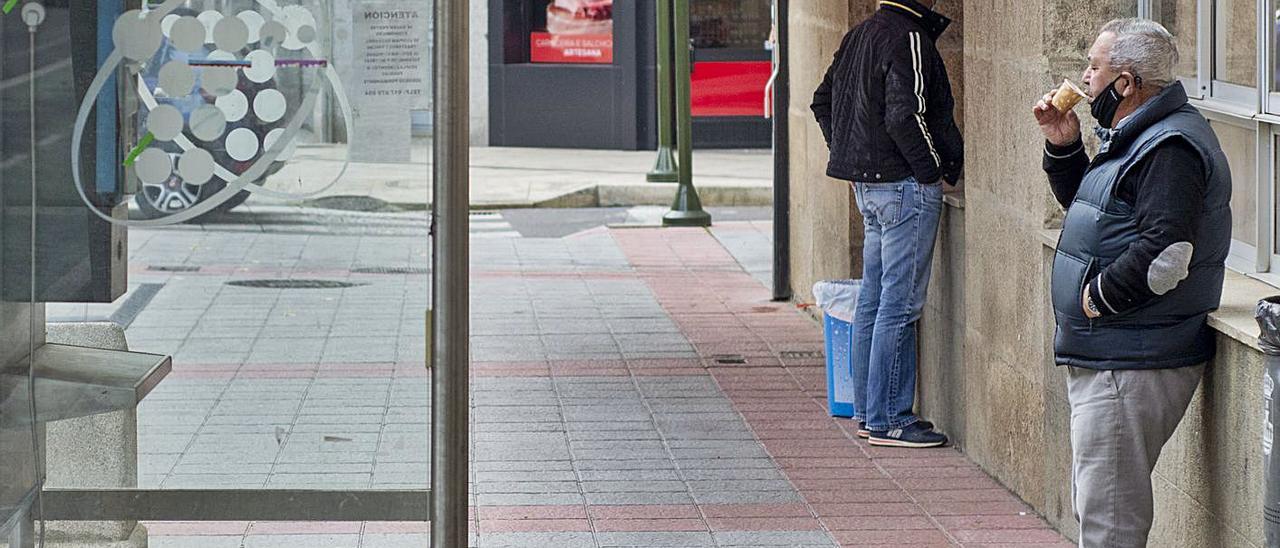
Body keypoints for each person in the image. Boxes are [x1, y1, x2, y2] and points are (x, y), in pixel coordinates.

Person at [1032, 19, 1230, 547]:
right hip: (1117, 352)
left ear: (1126, 83)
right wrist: (1064, 146)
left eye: (1094, 68)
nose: (1084, 78)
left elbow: (1166, 254)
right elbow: (1098, 213)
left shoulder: (1169, 147)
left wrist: (1095, 300)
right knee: (1101, 509)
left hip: (1131, 357)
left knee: (1110, 521)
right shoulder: (1137, 136)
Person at [810, 0, 962, 448]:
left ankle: (869, 412)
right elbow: (904, 114)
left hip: (872, 186)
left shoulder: (861, 33)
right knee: (898, 304)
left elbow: (823, 102)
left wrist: (852, 156)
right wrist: (932, 170)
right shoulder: (908, 36)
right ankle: (890, 419)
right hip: (902, 187)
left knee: (875, 302)